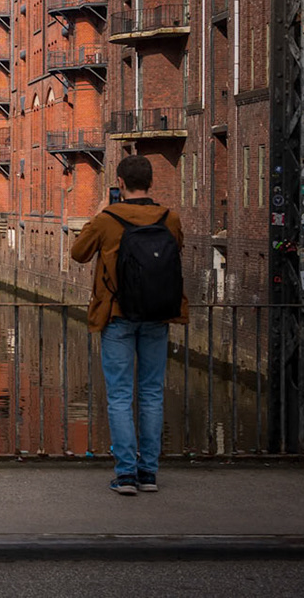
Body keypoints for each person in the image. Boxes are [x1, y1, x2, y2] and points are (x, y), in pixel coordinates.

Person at [70, 152, 187, 495]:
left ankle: (125, 476)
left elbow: (79, 253)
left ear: (120, 184)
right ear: (151, 182)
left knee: (120, 396)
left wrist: (102, 217)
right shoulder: (170, 218)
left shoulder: (108, 219)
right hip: (158, 313)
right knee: (151, 394)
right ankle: (148, 473)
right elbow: (173, 251)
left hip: (118, 315)